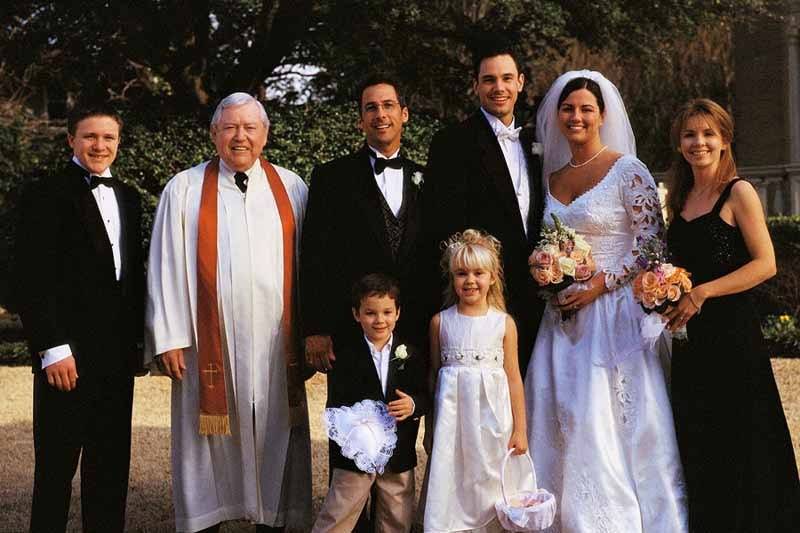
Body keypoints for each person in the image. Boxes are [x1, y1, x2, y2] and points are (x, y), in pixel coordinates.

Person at [524, 71, 688, 532]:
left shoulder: (626, 169)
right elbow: (547, 242)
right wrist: (549, 278)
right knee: (563, 418)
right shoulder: (552, 177)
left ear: (602, 115)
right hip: (562, 319)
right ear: (557, 117)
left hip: (616, 315)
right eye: (568, 109)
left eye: (585, 109)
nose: (576, 116)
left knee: (609, 421)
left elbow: (652, 243)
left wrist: (602, 282)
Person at [145, 92, 311, 533]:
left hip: (276, 345)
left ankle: (272, 518)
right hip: (206, 345)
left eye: (249, 128)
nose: (240, 137)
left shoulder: (292, 187)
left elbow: (312, 266)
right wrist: (170, 337)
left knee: (275, 429)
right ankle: (206, 519)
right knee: (206, 443)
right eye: (230, 128)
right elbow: (163, 266)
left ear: (265, 134)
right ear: (214, 133)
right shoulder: (183, 189)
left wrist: (314, 333)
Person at [663, 98, 800, 532]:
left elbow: (766, 264)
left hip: (732, 336)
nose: (698, 142)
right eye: (690, 134)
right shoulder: (681, 196)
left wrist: (704, 291)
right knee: (700, 438)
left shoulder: (738, 192)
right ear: (679, 142)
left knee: (743, 438)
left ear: (724, 141)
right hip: (691, 341)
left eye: (708, 134)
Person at [13, 103, 144, 532]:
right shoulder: (45, 194)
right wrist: (52, 347)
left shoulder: (129, 197)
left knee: (109, 472)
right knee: (55, 471)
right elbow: (31, 278)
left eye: (108, 138)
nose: (99, 145)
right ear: (70, 139)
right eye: (90, 136)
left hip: (116, 358)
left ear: (118, 143)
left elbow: (130, 278)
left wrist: (138, 345)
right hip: (65, 358)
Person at [425, 39, 544, 372]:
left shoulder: (538, 141)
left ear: (520, 82)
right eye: (489, 80)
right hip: (483, 296)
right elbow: (443, 222)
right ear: (476, 85)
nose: (499, 87)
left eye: (507, 78)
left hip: (539, 295)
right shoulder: (452, 142)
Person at [301, 74, 428, 372]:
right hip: (350, 332)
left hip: (412, 331)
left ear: (404, 114)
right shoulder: (331, 178)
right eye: (371, 108)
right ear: (360, 120)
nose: (380, 114)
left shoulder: (428, 179)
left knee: (404, 416)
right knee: (353, 418)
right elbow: (314, 257)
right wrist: (316, 329)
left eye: (388, 105)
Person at [424, 229, 529, 533]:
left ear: (493, 276)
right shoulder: (440, 322)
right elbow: (434, 377)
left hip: (493, 422)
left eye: (478, 273)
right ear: (452, 278)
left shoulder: (503, 323)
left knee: (490, 479)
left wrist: (520, 429)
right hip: (452, 423)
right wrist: (431, 427)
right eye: (462, 273)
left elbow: (514, 380)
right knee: (454, 477)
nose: (470, 280)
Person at [312, 273, 430, 533]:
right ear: (356, 314)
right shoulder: (344, 357)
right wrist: (356, 437)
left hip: (397, 454)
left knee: (396, 519)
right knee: (338, 515)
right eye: (370, 313)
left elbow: (425, 396)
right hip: (357, 456)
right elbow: (336, 406)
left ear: (398, 313)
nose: (380, 320)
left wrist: (412, 405)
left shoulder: (410, 354)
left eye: (387, 312)